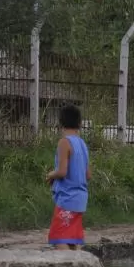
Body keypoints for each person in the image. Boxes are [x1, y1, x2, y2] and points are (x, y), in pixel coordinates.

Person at [46, 105, 91, 249]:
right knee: (72, 240)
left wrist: (50, 174)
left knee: (58, 238)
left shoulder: (64, 142)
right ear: (79, 123)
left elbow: (62, 171)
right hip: (80, 199)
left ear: (61, 122)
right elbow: (88, 175)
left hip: (67, 199)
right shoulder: (82, 144)